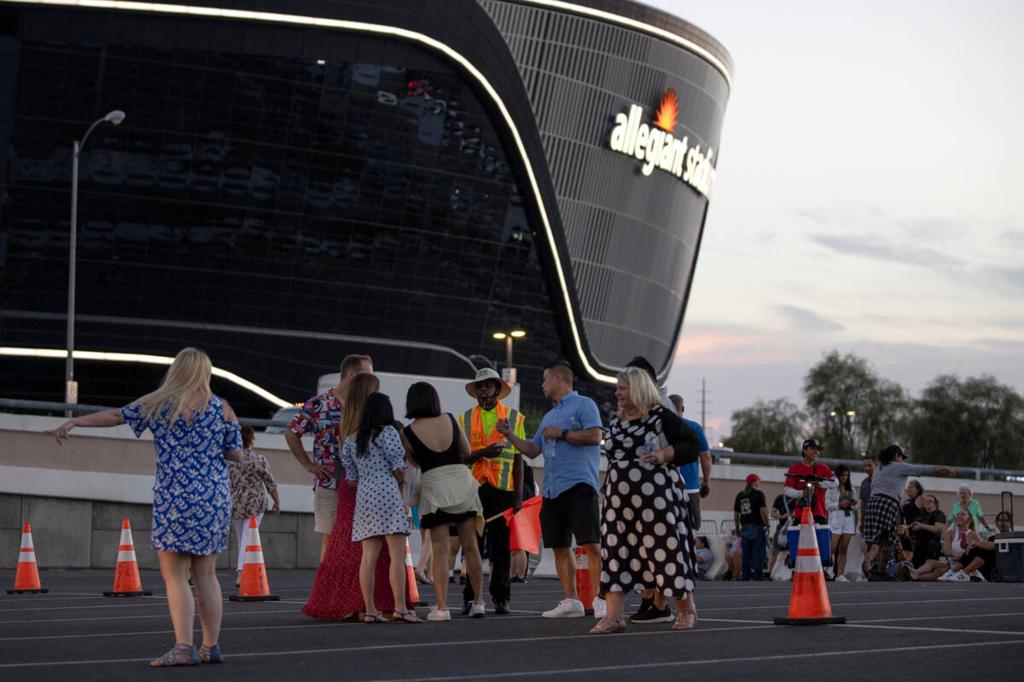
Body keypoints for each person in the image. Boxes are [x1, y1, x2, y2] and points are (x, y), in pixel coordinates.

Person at [52, 347, 242, 666]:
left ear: (177, 371)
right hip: (213, 498)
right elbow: (235, 455)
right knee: (206, 574)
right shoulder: (223, 409)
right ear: (205, 373)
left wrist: (76, 422)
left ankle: (184, 647)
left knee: (176, 576)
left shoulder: (159, 404)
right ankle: (211, 646)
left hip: (175, 497)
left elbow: (116, 416)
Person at [586, 366, 701, 634]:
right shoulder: (616, 421)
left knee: (666, 550)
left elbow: (692, 445)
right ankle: (614, 617)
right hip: (618, 503)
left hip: (657, 503)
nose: (617, 393)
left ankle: (686, 609)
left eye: (622, 388)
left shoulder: (661, 417)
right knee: (615, 553)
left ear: (638, 389)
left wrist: (664, 454)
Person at [497, 360, 605, 620]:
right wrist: (510, 435)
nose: (542, 385)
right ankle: (571, 600)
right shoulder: (549, 415)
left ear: (558, 378)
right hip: (553, 489)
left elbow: (595, 436)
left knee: (590, 543)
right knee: (559, 546)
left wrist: (563, 433)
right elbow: (533, 450)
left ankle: (601, 597)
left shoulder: (584, 405)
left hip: (580, 484)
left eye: (545, 379)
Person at [303, 373, 400, 621]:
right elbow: (398, 463)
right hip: (380, 488)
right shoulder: (379, 425)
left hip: (351, 484)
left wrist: (310, 465)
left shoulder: (343, 418)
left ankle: (350, 603)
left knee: (347, 545)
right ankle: (382, 603)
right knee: (381, 551)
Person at [402, 381, 485, 621]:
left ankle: (442, 606)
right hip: (462, 483)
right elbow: (466, 451)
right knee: (471, 547)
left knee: (440, 550)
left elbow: (414, 462)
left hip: (434, 487)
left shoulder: (406, 433)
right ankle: (478, 602)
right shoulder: (450, 419)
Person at [286, 354, 373, 562]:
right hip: (329, 482)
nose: (371, 380)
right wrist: (308, 464)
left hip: (361, 484)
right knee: (330, 540)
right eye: (367, 375)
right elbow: (291, 431)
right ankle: (327, 589)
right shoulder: (319, 404)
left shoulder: (367, 405)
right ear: (351, 375)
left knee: (361, 543)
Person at [342, 392, 419, 623]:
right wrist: (402, 484)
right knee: (396, 555)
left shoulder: (351, 439)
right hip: (387, 492)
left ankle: (370, 610)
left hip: (365, 497)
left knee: (368, 558)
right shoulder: (388, 433)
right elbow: (399, 467)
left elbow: (351, 477)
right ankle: (400, 608)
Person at [456, 367, 526, 616]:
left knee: (501, 547)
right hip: (474, 489)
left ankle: (501, 597)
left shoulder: (515, 418)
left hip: (503, 490)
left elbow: (518, 459)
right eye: (480, 386)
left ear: (498, 389)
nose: (483, 390)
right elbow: (461, 457)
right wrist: (483, 453)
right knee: (472, 546)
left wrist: (518, 497)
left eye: (488, 385)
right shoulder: (463, 419)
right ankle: (470, 597)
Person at [862, 444, 955, 579]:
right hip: (887, 504)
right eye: (901, 457)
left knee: (876, 543)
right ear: (896, 456)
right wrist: (945, 468)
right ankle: (881, 571)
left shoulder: (879, 469)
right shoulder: (898, 466)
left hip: (873, 504)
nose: (903, 461)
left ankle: (869, 564)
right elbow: (923, 469)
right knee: (888, 540)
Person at [228, 425, 281, 586]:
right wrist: (277, 501)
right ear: (251, 439)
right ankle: (241, 573)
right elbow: (270, 483)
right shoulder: (259, 459)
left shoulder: (230, 459)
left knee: (241, 538)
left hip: (235, 504)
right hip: (255, 504)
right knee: (249, 536)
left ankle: (241, 571)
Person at [907, 508, 975, 582]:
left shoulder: (973, 535)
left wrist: (960, 557)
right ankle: (916, 573)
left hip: (963, 567)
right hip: (951, 565)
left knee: (940, 570)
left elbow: (976, 556)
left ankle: (915, 576)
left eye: (963, 514)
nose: (959, 516)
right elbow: (946, 550)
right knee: (930, 561)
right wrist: (950, 552)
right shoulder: (951, 532)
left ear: (969, 520)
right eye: (958, 514)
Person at [783, 439, 837, 525]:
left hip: (820, 514)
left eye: (818, 450)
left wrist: (819, 484)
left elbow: (835, 482)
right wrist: (804, 493)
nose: (816, 452)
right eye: (813, 449)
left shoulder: (822, 467)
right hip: (801, 514)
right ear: (804, 450)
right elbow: (787, 490)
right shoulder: (794, 468)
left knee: (822, 538)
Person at [733, 474, 769, 581]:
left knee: (746, 554)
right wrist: (767, 524)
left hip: (745, 528)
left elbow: (736, 514)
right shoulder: (759, 494)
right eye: (758, 481)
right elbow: (763, 511)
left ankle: (745, 576)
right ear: (755, 482)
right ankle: (757, 576)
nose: (759, 483)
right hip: (757, 526)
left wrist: (737, 528)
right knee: (759, 553)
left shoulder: (740, 495)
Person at [825, 465, 858, 581]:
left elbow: (856, 506)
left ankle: (840, 574)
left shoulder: (851, 487)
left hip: (849, 518)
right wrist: (839, 504)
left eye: (847, 475)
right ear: (838, 475)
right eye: (843, 475)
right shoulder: (832, 486)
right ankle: (825, 570)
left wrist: (853, 503)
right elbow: (827, 505)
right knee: (832, 547)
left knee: (844, 548)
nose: (845, 478)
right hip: (836, 517)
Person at [908, 494, 946, 569]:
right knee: (914, 569)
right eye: (925, 501)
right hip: (916, 547)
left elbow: (939, 530)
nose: (927, 503)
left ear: (935, 503)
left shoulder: (939, 514)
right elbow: (914, 524)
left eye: (930, 501)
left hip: (931, 549)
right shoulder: (921, 512)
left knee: (926, 570)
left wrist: (921, 526)